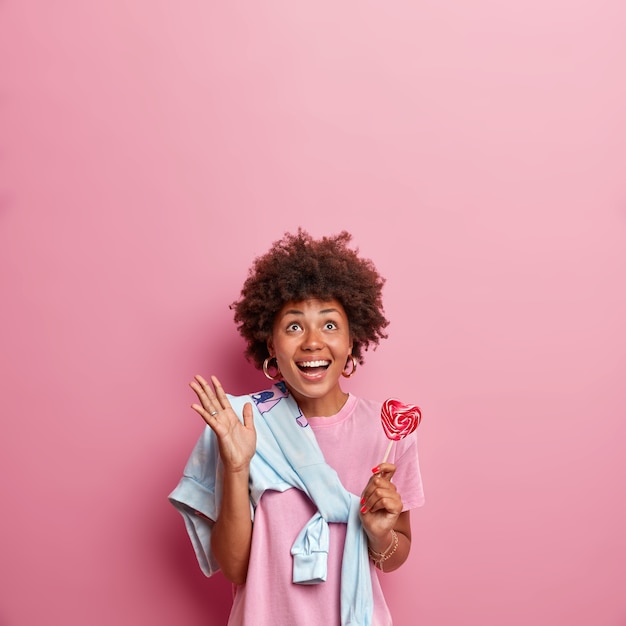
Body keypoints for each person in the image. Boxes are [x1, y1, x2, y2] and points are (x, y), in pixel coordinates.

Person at [169, 229, 424, 626]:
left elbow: (394, 557)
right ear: (270, 344)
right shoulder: (240, 424)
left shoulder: (389, 433)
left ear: (353, 339)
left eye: (329, 325)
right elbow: (237, 570)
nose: (311, 342)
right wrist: (236, 468)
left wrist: (379, 533)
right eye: (292, 327)